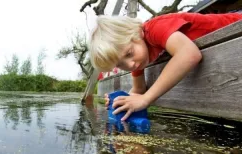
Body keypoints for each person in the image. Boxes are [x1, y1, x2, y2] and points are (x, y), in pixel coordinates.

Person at [88, 12, 242, 121]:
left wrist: (146, 99)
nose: (131, 64)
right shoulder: (139, 61)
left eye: (129, 53)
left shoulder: (155, 28)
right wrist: (120, 102)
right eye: (120, 64)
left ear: (136, 33)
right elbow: (138, 91)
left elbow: (189, 54)